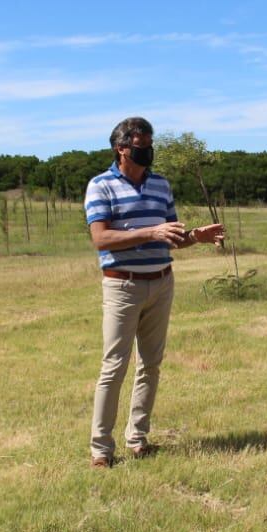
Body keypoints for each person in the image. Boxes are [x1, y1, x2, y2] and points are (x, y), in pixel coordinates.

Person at [84, 117, 225, 468]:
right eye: (141, 146)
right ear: (121, 148)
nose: (148, 151)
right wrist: (150, 233)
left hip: (161, 282)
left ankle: (138, 438)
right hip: (122, 284)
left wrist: (196, 236)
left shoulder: (160, 185)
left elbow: (170, 237)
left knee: (151, 364)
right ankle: (101, 449)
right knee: (114, 366)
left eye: (150, 144)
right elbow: (101, 238)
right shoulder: (101, 186)